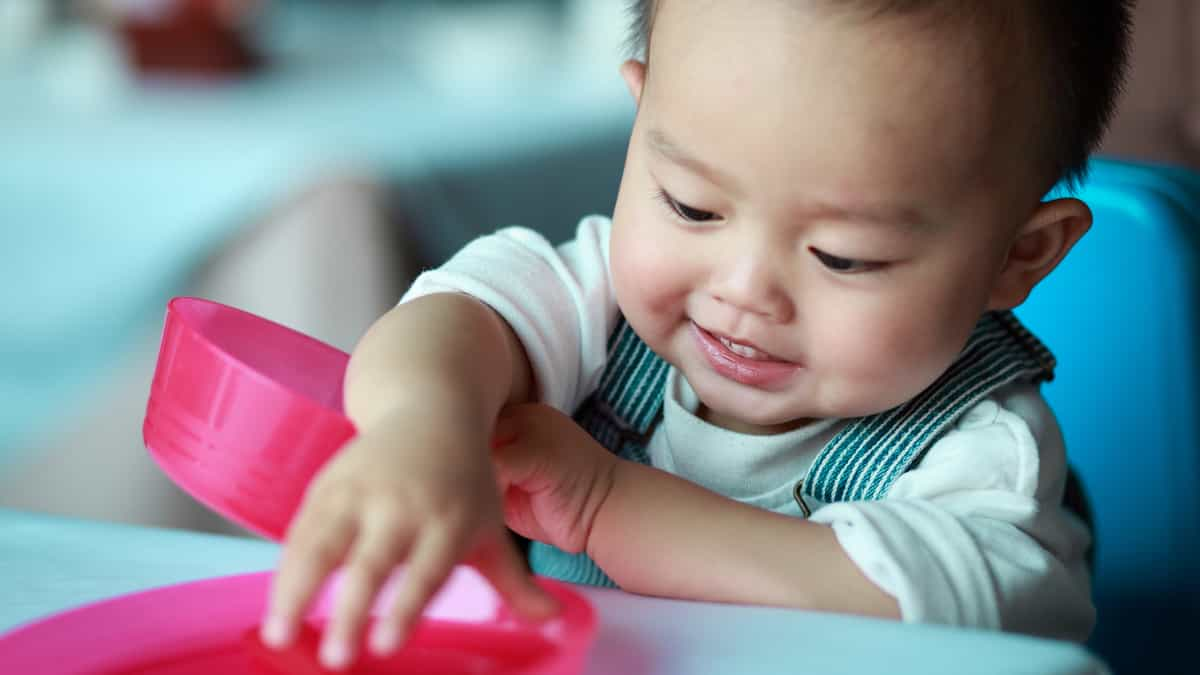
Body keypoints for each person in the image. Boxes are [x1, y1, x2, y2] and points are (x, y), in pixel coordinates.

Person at [260, 0, 1134, 669]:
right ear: (641, 124)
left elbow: (935, 610)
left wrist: (605, 504)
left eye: (844, 256)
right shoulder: (604, 299)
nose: (743, 288)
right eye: (692, 206)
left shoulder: (980, 454)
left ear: (1017, 257)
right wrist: (424, 426)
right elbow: (453, 318)